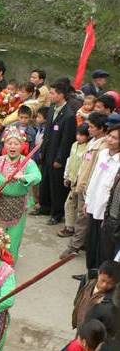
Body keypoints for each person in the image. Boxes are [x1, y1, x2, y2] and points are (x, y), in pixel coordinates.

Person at [0, 126, 42, 261]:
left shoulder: (28, 163)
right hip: (0, 203)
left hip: (18, 205)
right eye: (9, 143)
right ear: (4, 145)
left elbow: (37, 177)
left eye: (16, 143)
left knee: (14, 237)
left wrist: (22, 177)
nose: (12, 146)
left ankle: (9, 262)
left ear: (22, 146)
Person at [62, 112, 109, 259]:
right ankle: (82, 243)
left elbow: (98, 171)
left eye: (92, 127)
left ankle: (74, 247)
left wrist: (88, 188)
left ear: (101, 129)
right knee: (80, 216)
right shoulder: (92, 142)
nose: (89, 129)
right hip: (81, 184)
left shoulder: (103, 148)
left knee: (83, 219)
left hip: (89, 188)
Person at [39, 81, 77, 226]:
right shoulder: (51, 109)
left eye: (53, 93)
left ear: (61, 95)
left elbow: (67, 141)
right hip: (47, 152)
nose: (50, 95)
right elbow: (47, 132)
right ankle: (45, 207)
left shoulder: (68, 115)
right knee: (46, 181)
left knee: (57, 186)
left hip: (57, 156)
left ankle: (57, 213)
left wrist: (60, 159)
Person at [84, 125, 120, 269]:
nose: (110, 140)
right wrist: (87, 200)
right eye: (109, 136)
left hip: (108, 211)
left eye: (115, 138)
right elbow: (94, 177)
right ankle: (90, 272)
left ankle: (100, 274)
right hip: (94, 202)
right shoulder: (103, 153)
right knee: (91, 241)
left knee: (104, 246)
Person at [59, 124, 92, 239]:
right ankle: (71, 228)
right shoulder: (74, 145)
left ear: (87, 136)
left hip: (81, 182)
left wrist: (79, 180)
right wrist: (66, 176)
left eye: (82, 135)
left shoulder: (89, 148)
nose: (78, 137)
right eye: (77, 134)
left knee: (74, 205)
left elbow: (84, 166)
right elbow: (70, 160)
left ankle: (72, 229)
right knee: (71, 204)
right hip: (72, 179)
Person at [72, 261, 120, 329]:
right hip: (80, 323)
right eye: (103, 280)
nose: (104, 285)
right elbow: (79, 295)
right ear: (98, 273)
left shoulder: (113, 300)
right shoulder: (88, 279)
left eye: (110, 283)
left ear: (116, 283)